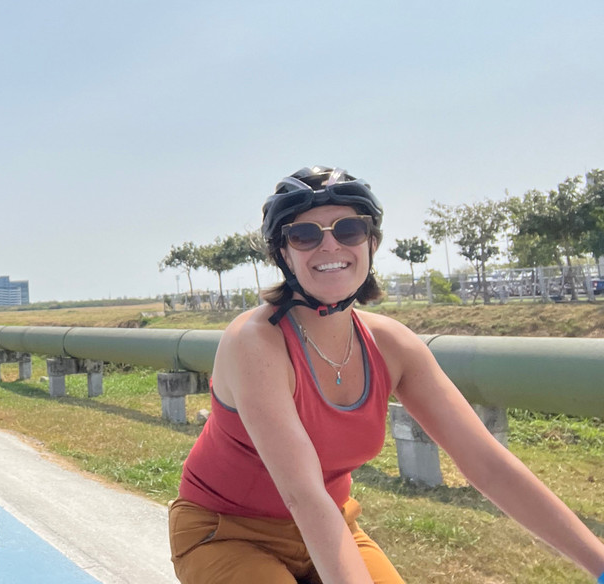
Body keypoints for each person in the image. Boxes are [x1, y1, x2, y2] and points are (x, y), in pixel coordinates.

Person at [168, 166, 604, 583]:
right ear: (284, 253)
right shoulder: (255, 343)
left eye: (348, 230)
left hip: (334, 523)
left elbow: (488, 464)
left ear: (371, 243)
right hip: (225, 532)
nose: (330, 247)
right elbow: (303, 494)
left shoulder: (393, 345)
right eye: (304, 235)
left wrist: (599, 563)